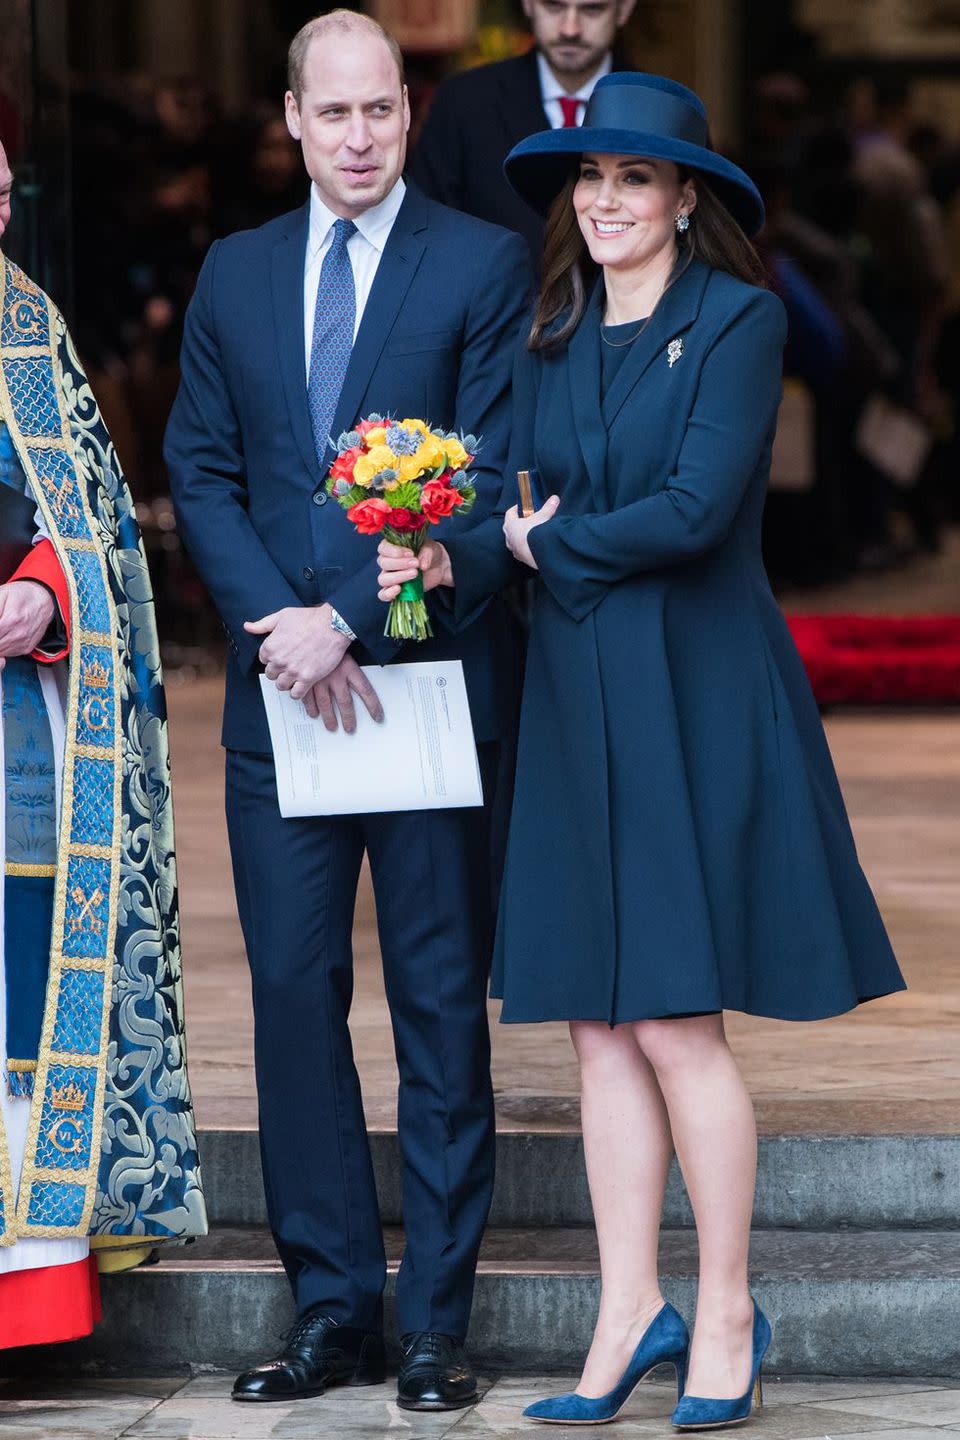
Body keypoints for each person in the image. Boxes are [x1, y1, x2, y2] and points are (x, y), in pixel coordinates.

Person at [377, 73, 906, 1429]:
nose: (604, 202)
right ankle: (628, 1313)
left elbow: (696, 508)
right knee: (596, 1028)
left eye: (632, 180)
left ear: (685, 199)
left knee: (675, 1019)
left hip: (694, 687)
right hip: (572, 697)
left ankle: (724, 1309)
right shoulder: (549, 331)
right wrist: (446, 551)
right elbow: (503, 502)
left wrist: (546, 542)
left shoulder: (739, 320)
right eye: (587, 182)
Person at [164, 10, 532, 1412]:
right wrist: (280, 625)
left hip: (425, 693)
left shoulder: (481, 264)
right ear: (292, 120)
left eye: (383, 110)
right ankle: (333, 1310)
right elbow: (202, 469)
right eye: (337, 114)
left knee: (441, 1004)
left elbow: (489, 477)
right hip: (281, 702)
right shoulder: (235, 271)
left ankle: (433, 1321)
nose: (362, 136)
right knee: (293, 998)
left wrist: (351, 624)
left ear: (406, 115)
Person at [0, 138, 206, 1350]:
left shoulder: (30, 329)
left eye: (7, 184)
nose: (2, 202)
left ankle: (21, 1302)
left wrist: (46, 591)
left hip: (15, 734)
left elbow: (98, 533)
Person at [408, 0, 635, 264]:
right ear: (528, 4)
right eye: (554, 7)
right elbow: (424, 232)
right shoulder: (462, 103)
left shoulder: (656, 109)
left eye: (592, 9)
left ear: (624, 8)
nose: (570, 29)